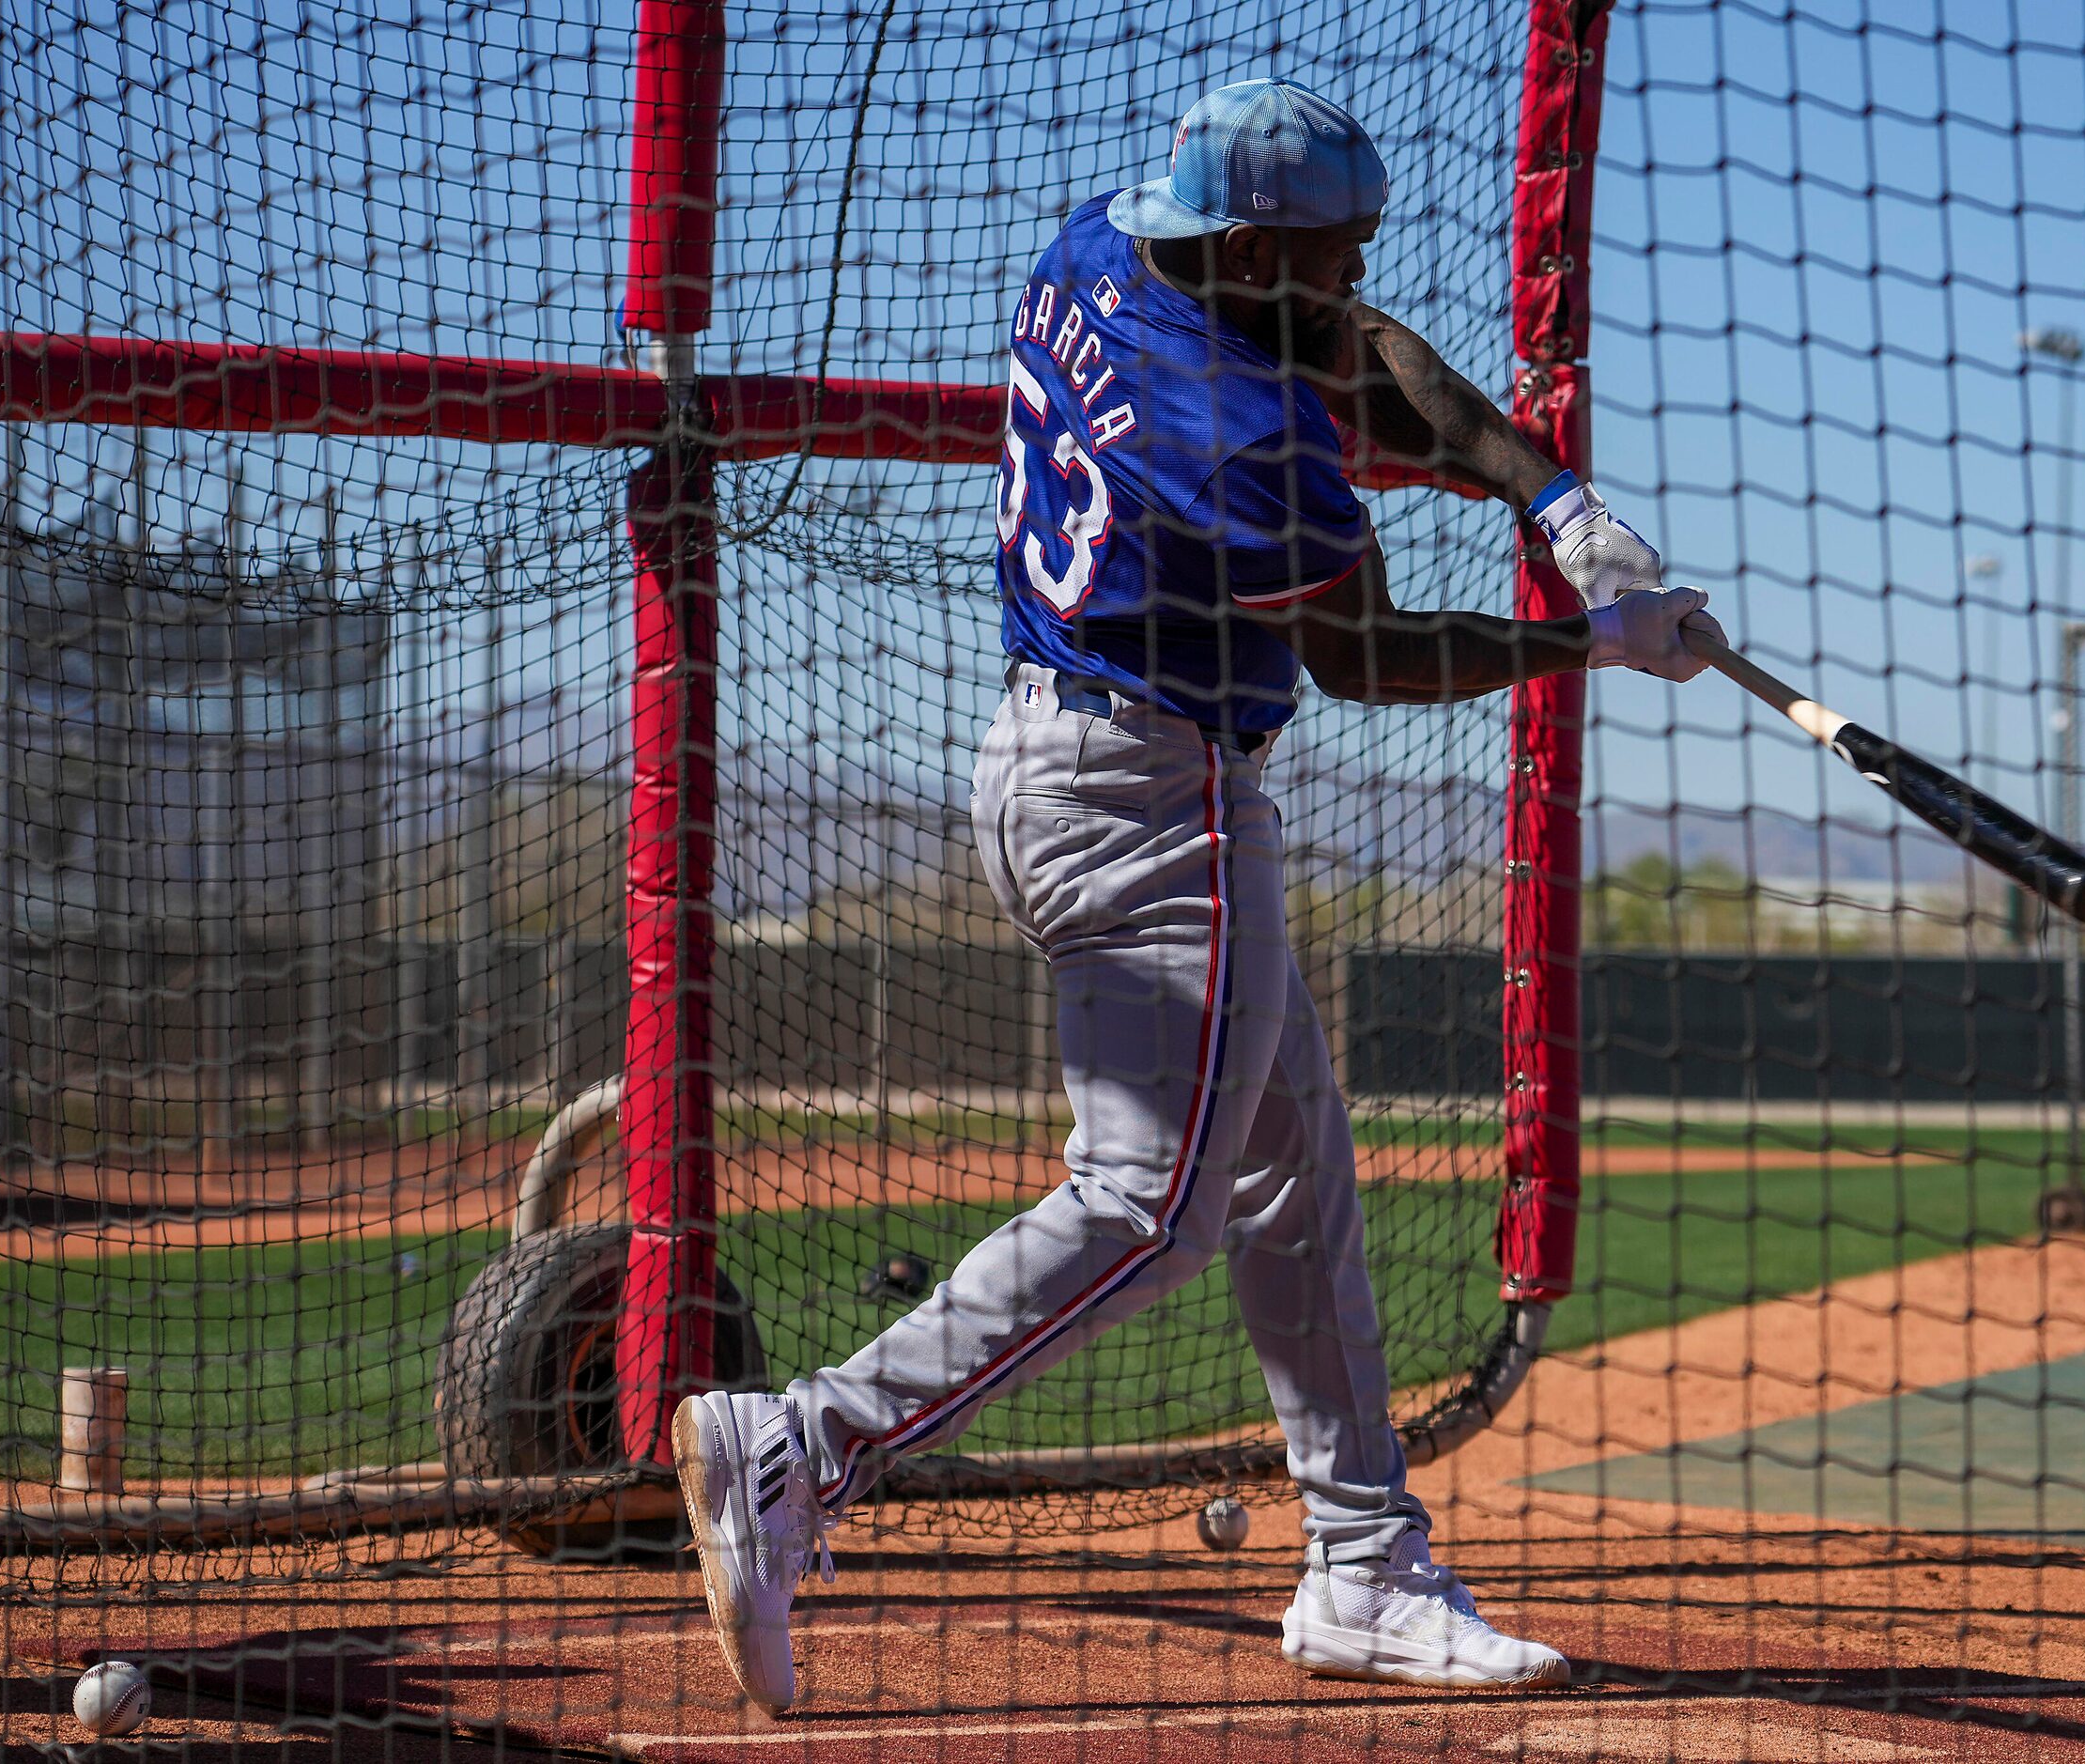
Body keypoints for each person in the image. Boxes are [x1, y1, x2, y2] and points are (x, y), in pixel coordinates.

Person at [672, 76, 1715, 1711]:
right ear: (1245, 253)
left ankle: (1364, 1561)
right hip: (1154, 806)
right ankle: (805, 1443)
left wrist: (1552, 499)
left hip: (1058, 757)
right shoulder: (1228, 432)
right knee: (1148, 1207)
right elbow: (1366, 659)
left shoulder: (1107, 245)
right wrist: (1591, 642)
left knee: (1293, 1168)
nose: (1352, 274)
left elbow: (1364, 345)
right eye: (1326, 248)